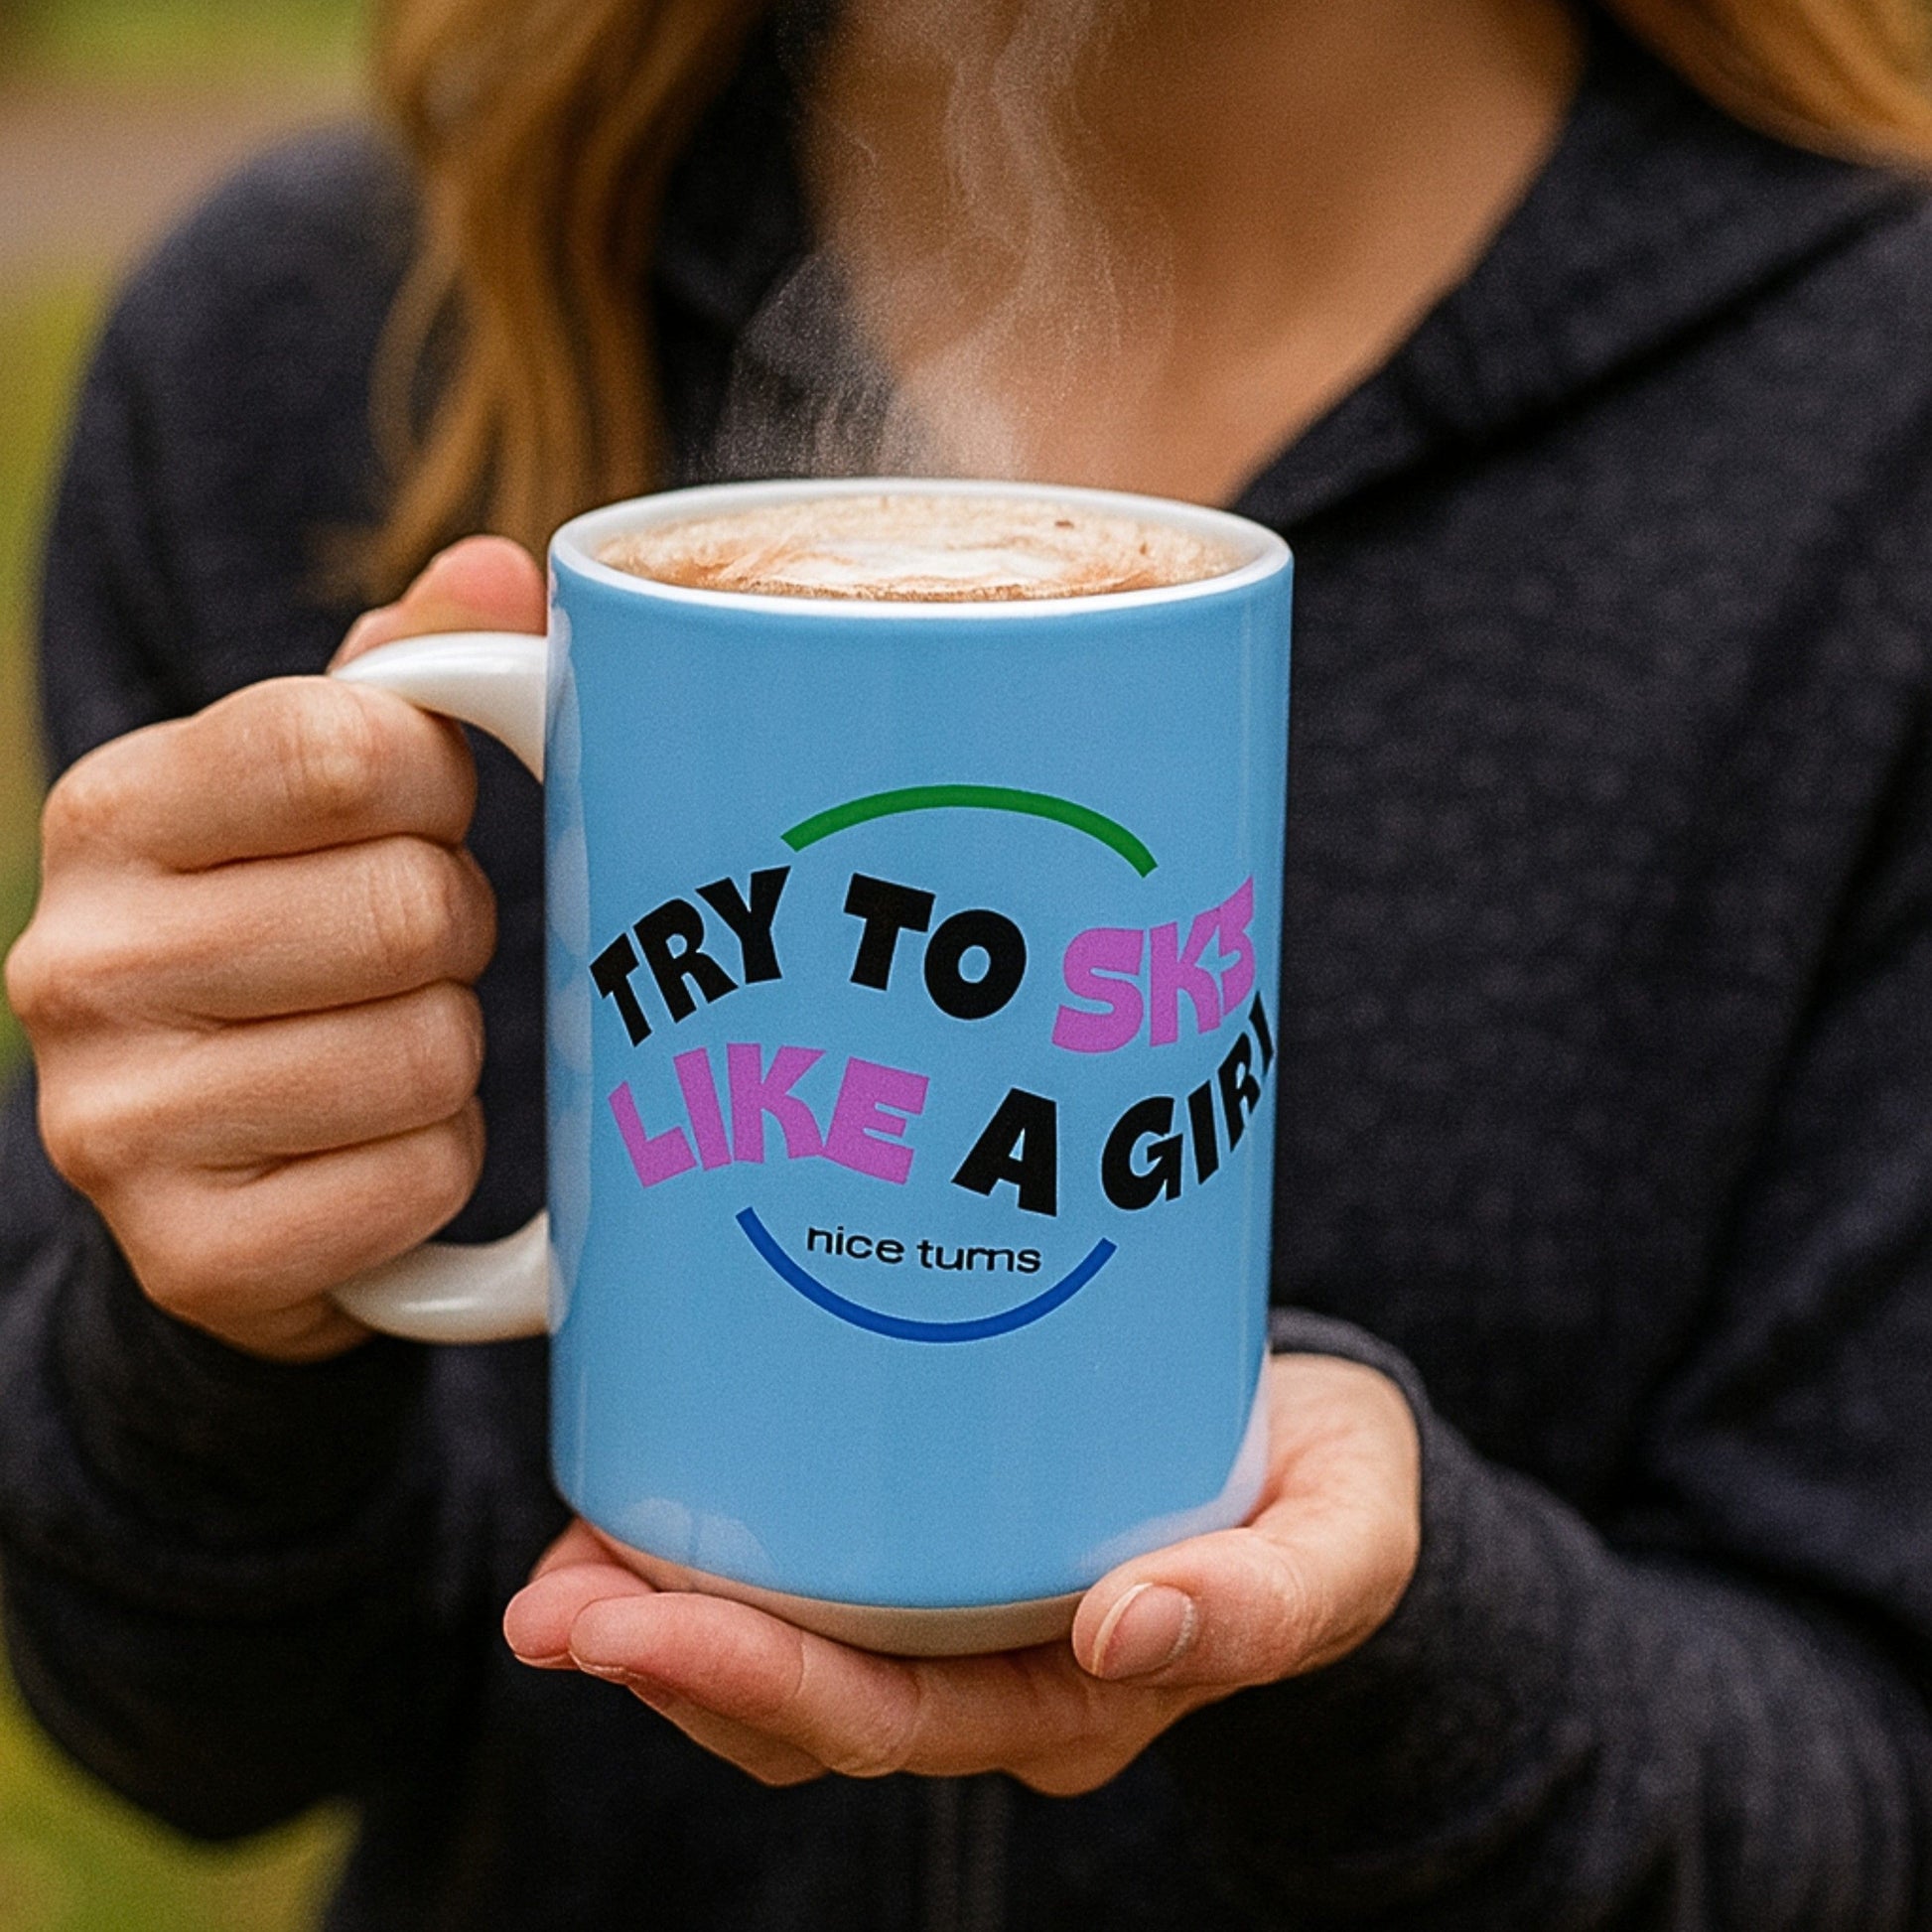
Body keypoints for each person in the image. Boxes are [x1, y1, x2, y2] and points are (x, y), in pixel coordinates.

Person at [4, 0, 1932, 1922]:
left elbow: (1869, 1796)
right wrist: (224, 1323)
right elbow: (187, 1732)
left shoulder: (1871, 434)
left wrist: (1398, 1646)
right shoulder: (311, 330)